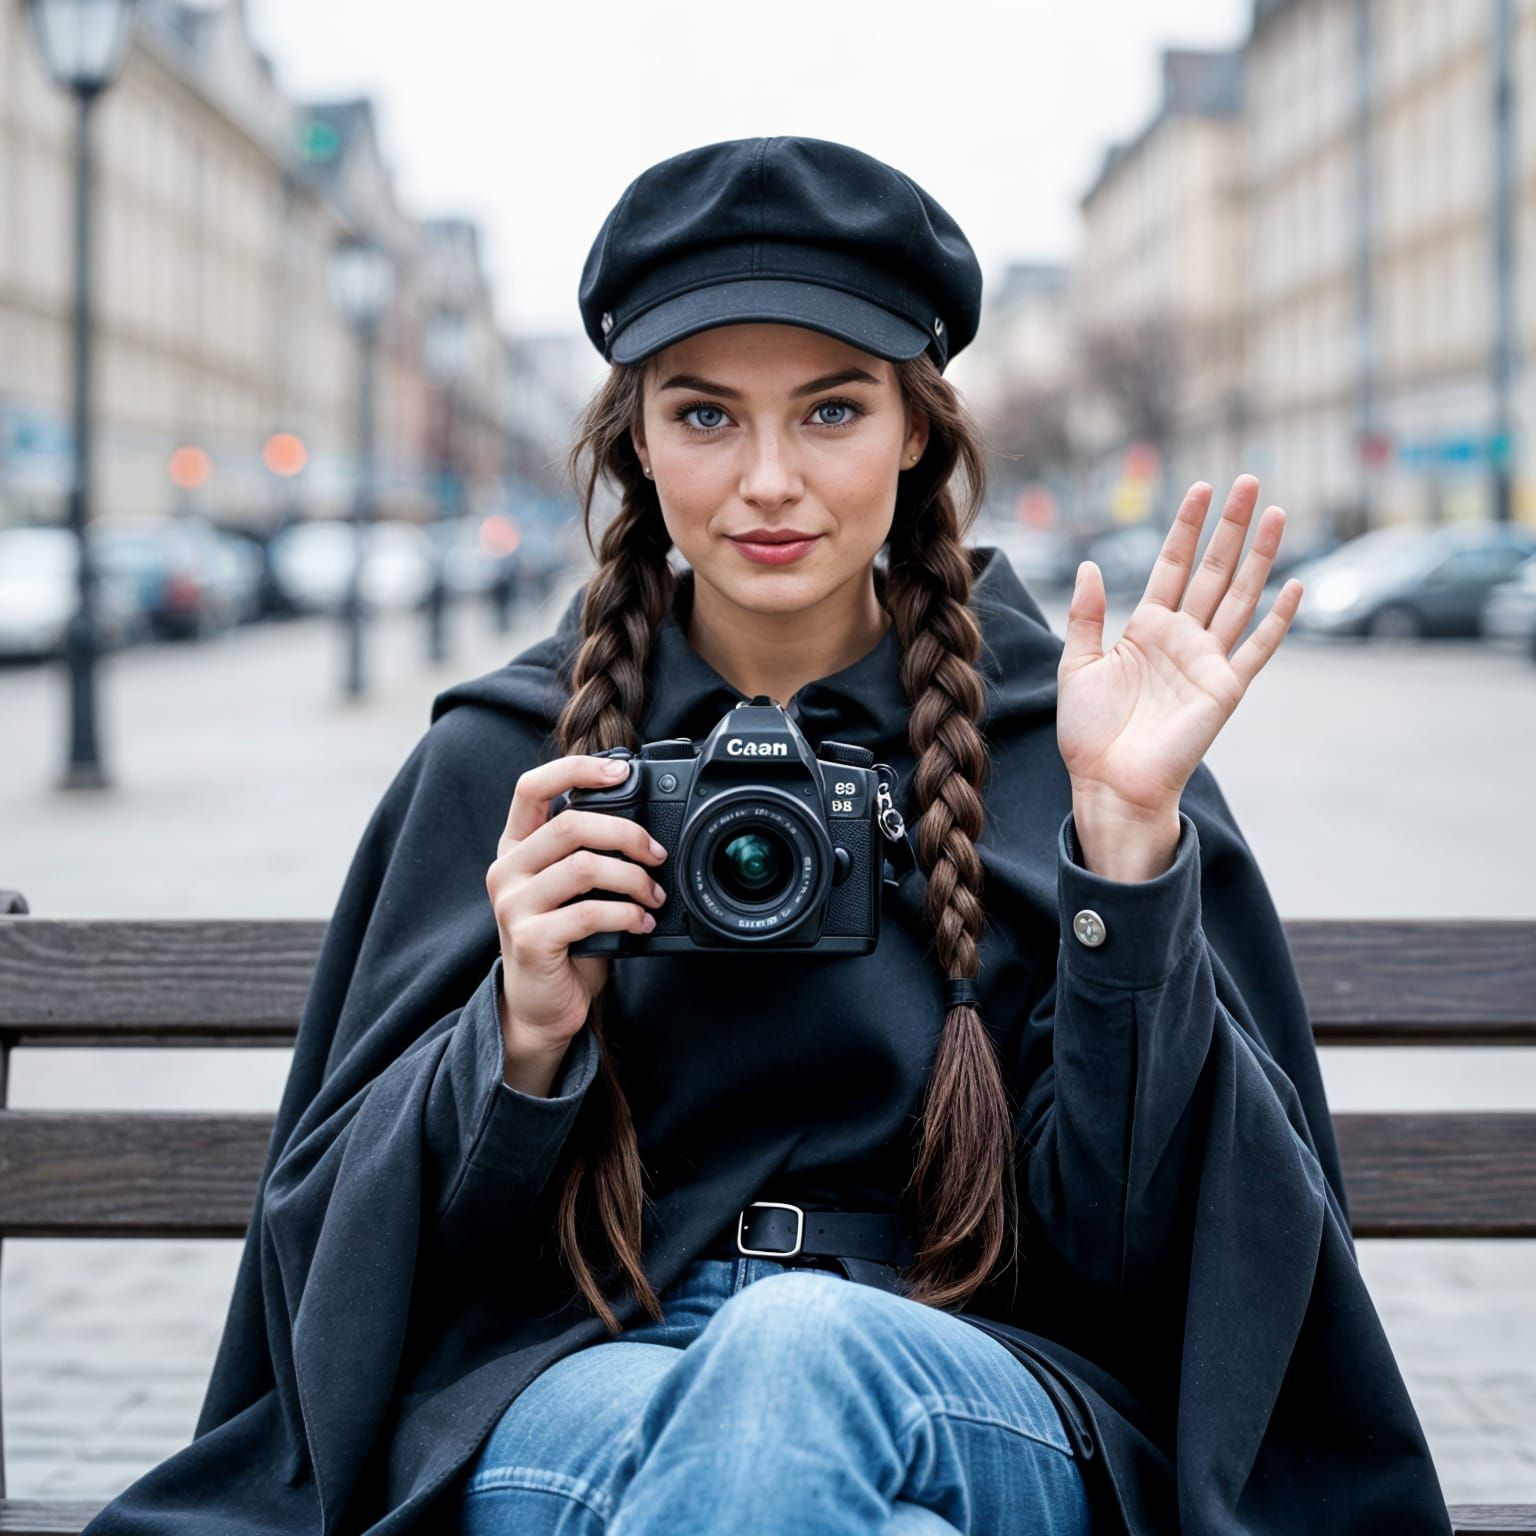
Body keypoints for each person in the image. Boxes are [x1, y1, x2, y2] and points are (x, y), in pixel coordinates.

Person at [80, 137, 1454, 1536]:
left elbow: (1142, 1252)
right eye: (707, 417)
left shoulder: (1078, 744)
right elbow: (346, 1262)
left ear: (918, 428)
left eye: (833, 412)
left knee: (795, 1350)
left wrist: (1126, 875)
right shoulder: (516, 763)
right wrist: (520, 1034)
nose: (771, 482)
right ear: (637, 439)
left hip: (979, 1383)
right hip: (583, 1382)